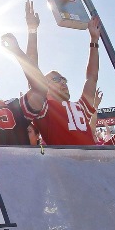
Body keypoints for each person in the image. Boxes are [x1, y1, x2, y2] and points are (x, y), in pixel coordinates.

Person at [29, 16, 102, 145]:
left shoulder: (80, 108)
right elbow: (31, 69)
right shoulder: (44, 109)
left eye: (64, 79)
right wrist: (32, 30)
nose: (63, 82)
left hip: (92, 164)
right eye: (56, 79)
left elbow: (92, 78)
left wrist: (94, 40)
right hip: (65, 164)